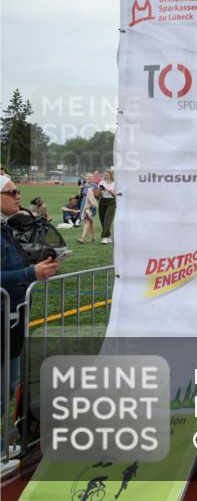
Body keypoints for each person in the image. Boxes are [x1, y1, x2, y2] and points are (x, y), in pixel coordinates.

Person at [2, 175, 60, 457]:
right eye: (11, 191)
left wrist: (40, 266)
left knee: (9, 384)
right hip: (5, 314)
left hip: (11, 315)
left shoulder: (6, 227)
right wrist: (30, 274)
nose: (17, 196)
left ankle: (4, 444)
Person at [78, 176, 99, 244]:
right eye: (87, 177)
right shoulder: (84, 185)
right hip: (84, 204)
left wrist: (93, 192)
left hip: (91, 205)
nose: (89, 178)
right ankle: (93, 237)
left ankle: (83, 238)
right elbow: (80, 196)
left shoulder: (95, 186)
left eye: (90, 177)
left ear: (93, 178)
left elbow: (98, 196)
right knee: (89, 220)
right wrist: (80, 189)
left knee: (87, 220)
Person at [98, 170, 116, 244]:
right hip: (102, 201)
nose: (105, 176)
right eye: (104, 175)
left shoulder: (115, 183)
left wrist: (108, 190)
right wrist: (98, 191)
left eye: (107, 174)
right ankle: (108, 236)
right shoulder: (101, 183)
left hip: (112, 201)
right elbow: (99, 194)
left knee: (107, 220)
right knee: (102, 219)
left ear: (110, 175)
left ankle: (105, 237)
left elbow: (116, 195)